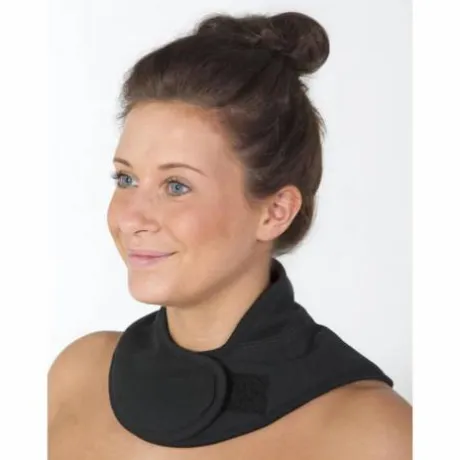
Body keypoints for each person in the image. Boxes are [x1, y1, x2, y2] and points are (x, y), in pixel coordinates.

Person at [48, 11, 412, 459]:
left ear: (275, 212)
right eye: (126, 179)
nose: (130, 217)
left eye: (176, 186)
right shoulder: (77, 378)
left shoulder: (374, 433)